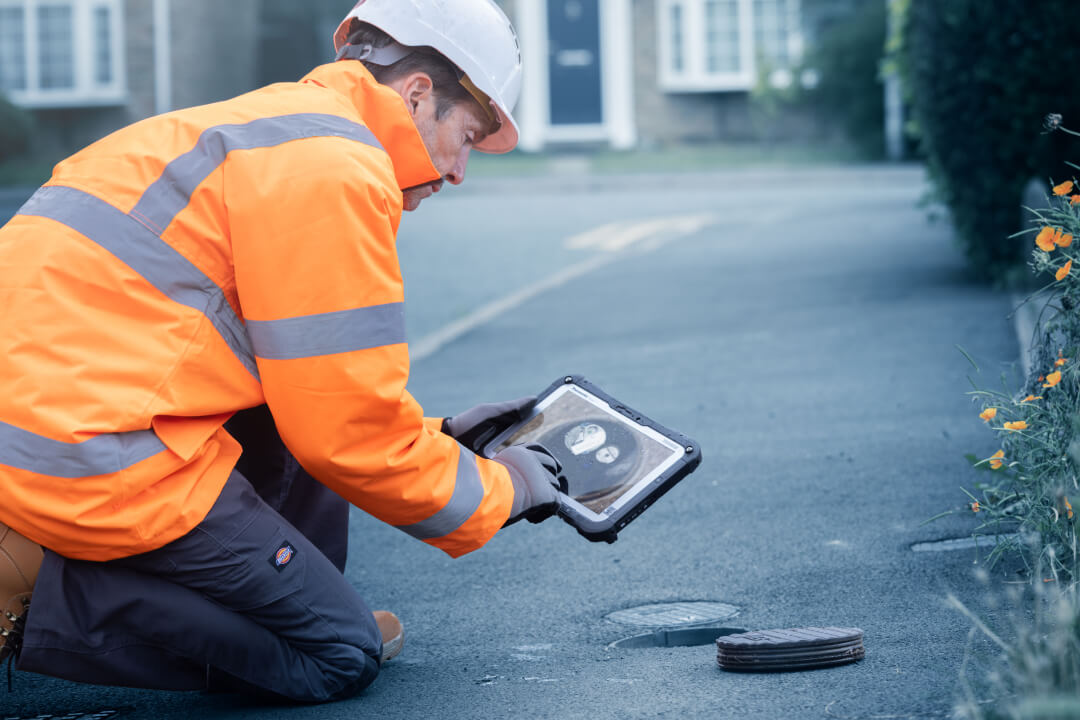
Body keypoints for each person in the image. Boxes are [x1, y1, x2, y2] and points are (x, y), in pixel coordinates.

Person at [0, 0, 563, 704]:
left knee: (287, 419)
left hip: (45, 423)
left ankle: (270, 605)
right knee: (338, 653)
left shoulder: (268, 128)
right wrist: (505, 491)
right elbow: (348, 433)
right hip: (86, 455)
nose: (458, 172)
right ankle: (33, 589)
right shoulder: (337, 171)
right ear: (418, 95)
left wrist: (439, 436)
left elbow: (314, 390)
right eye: (467, 138)